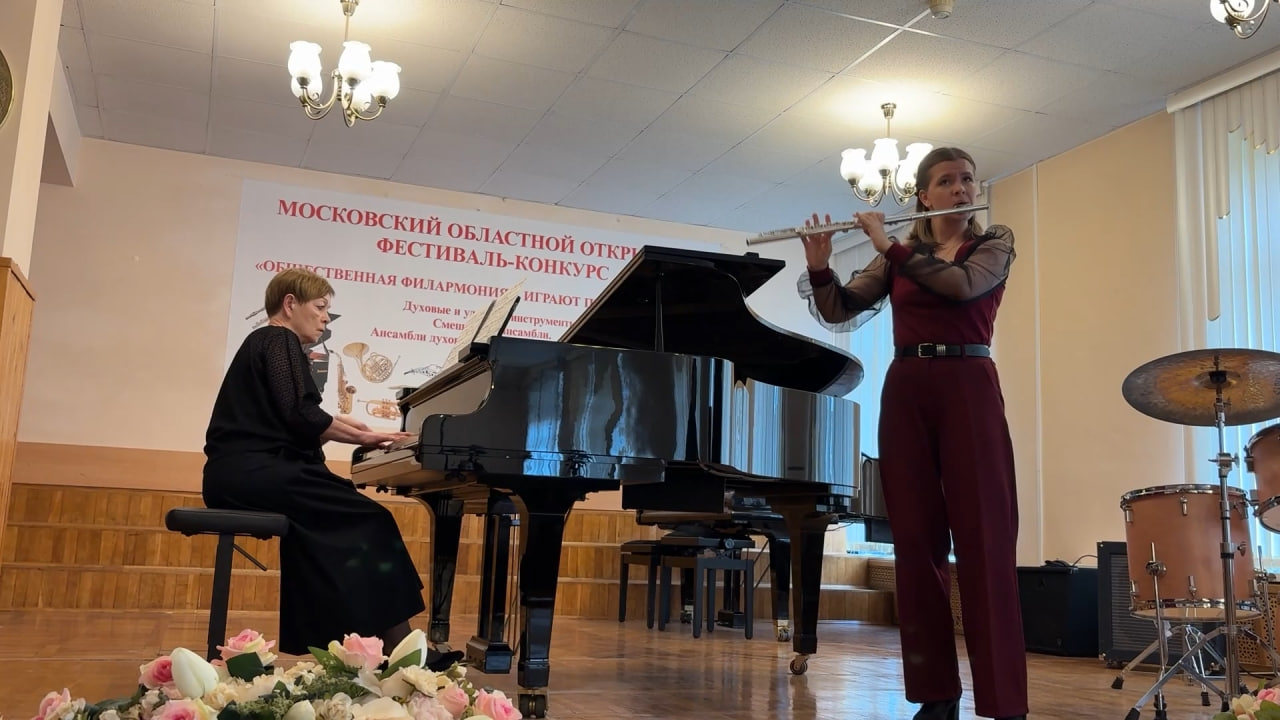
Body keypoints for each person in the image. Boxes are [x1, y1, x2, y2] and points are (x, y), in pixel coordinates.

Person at [796, 147, 1026, 720]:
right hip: (905, 389)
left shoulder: (992, 244)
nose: (960, 188)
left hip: (969, 384)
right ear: (923, 195)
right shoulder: (901, 256)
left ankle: (1004, 703)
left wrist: (889, 246)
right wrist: (821, 266)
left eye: (967, 179)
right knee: (915, 543)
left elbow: (962, 287)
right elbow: (841, 309)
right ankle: (935, 694)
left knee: (985, 539)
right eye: (946, 181)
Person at [202, 267, 463, 670]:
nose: (326, 318)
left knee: (336, 526)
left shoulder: (266, 343)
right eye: (320, 307)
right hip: (251, 472)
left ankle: (362, 650)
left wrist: (358, 431)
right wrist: (365, 436)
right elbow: (300, 414)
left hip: (242, 473)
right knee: (370, 519)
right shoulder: (278, 338)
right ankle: (399, 651)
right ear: (290, 304)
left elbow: (293, 421)